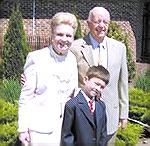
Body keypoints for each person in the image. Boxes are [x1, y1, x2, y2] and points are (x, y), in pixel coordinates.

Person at [70, 7, 129, 146]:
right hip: (83, 114)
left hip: (110, 115)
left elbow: (123, 83)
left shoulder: (120, 48)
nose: (102, 25)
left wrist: (124, 114)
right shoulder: (75, 47)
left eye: (105, 22)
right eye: (97, 21)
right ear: (89, 23)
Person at [18, 12, 78, 146]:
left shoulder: (73, 59)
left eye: (68, 35)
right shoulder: (36, 58)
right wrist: (22, 130)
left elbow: (73, 92)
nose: (64, 39)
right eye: (59, 34)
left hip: (66, 129)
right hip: (40, 131)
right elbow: (26, 97)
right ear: (52, 36)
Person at [61, 65, 110, 146]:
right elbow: (67, 136)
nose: (98, 88)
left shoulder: (101, 106)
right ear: (86, 80)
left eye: (102, 87)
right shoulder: (72, 105)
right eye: (96, 84)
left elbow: (103, 133)